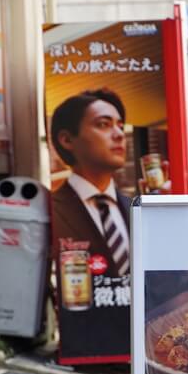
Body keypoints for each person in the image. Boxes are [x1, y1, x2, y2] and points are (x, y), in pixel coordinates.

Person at [50, 88, 132, 280]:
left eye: (120, 125)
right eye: (104, 124)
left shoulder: (136, 210)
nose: (119, 134)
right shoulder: (49, 212)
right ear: (67, 139)